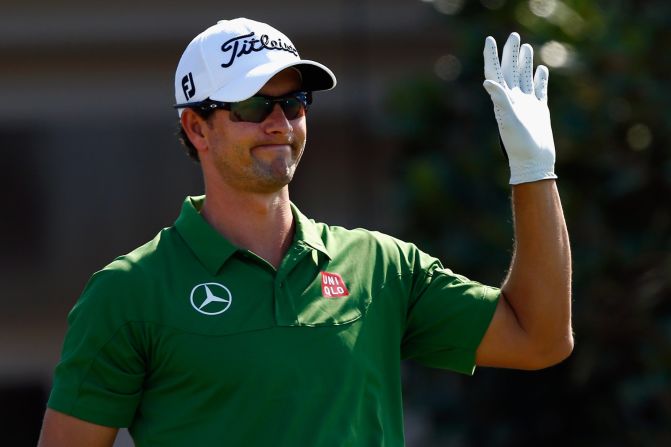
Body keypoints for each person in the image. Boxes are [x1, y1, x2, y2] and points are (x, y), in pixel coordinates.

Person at [38, 17, 573, 447]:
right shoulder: (128, 292)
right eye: (252, 106)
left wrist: (533, 171)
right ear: (196, 127)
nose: (279, 123)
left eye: (293, 103)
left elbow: (539, 338)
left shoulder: (379, 267)